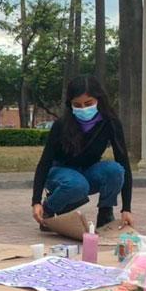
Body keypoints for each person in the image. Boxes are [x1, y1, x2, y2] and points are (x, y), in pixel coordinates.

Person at [31, 75, 134, 230]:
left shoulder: (110, 123)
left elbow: (123, 162)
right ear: (70, 104)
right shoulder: (61, 125)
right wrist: (36, 201)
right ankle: (49, 210)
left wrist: (127, 208)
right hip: (60, 173)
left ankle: (105, 213)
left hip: (88, 172)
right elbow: (44, 162)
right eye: (77, 105)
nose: (83, 109)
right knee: (77, 184)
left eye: (88, 103)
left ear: (98, 100)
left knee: (115, 170)